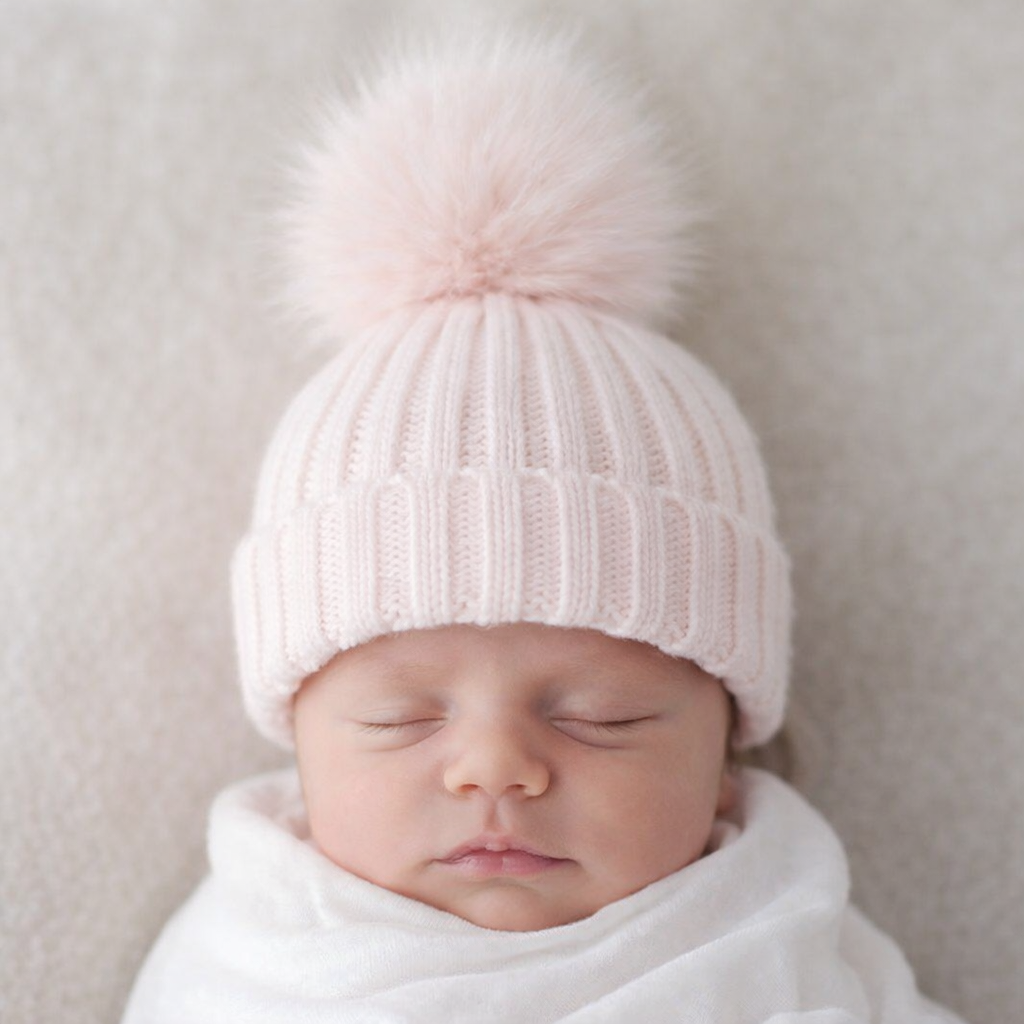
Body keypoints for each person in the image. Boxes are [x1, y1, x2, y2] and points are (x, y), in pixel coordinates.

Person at [122, 22, 966, 1023]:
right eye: (400, 717)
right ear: (299, 742)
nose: (495, 767)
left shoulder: (776, 936)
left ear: (727, 747)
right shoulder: (253, 962)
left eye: (602, 716)